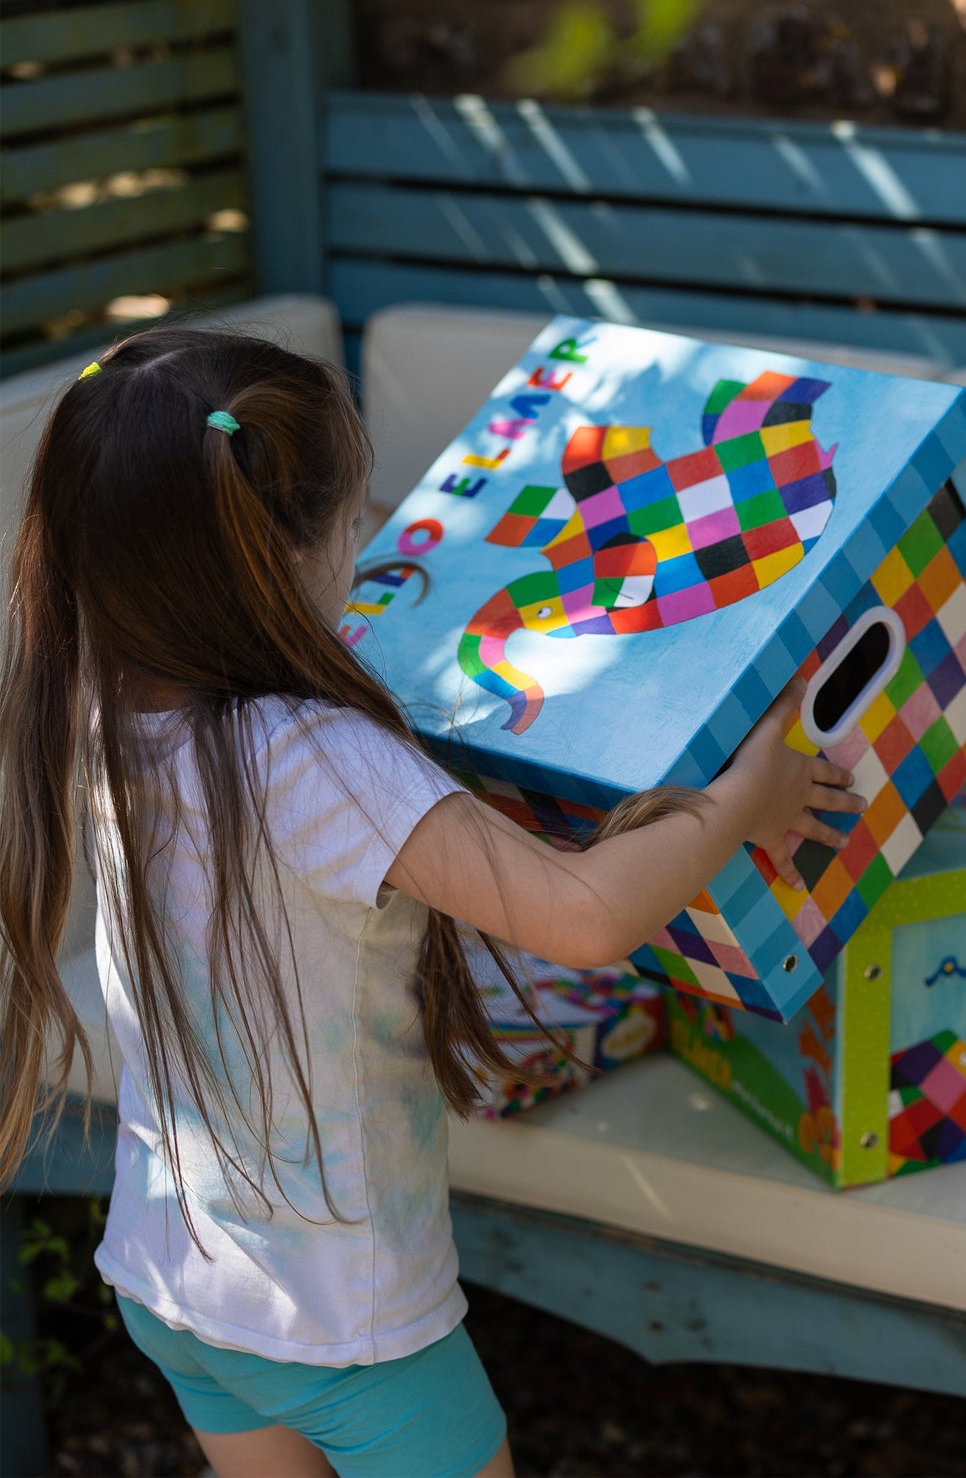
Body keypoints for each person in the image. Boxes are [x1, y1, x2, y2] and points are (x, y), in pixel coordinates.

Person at [0, 327, 863, 1478]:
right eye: (354, 522)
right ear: (284, 554)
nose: (363, 551)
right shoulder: (315, 757)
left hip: (171, 1280)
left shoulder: (101, 701)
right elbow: (585, 918)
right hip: (347, 1329)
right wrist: (742, 800)